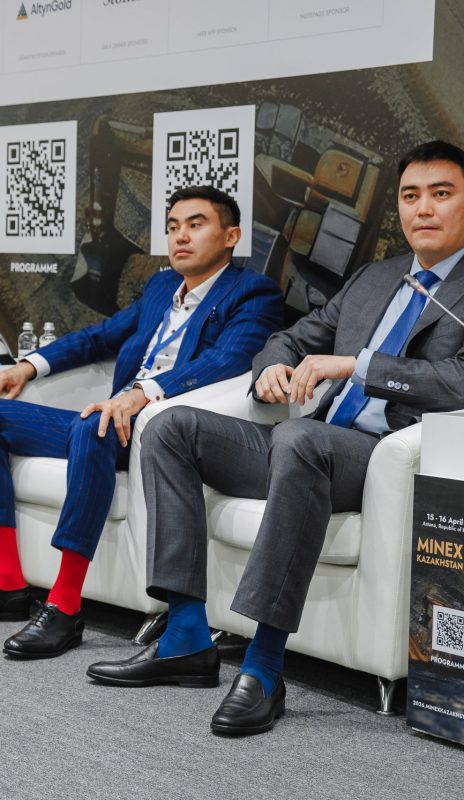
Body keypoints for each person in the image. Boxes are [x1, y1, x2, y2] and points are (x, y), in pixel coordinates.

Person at [86, 139, 464, 735]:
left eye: (441, 194)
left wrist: (357, 365)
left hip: (384, 455)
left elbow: (458, 380)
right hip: (311, 445)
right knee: (169, 427)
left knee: (299, 440)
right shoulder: (376, 278)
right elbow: (290, 337)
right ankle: (186, 637)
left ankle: (263, 667)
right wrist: (271, 369)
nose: (423, 208)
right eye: (411, 195)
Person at [0, 185, 285, 659]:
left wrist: (142, 393)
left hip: (164, 426)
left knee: (91, 425)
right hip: (113, 418)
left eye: (195, 225)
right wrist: (27, 366)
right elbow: (99, 337)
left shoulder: (253, 292)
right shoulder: (161, 288)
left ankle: (65, 605)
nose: (180, 237)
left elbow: (227, 360)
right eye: (173, 227)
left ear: (231, 236)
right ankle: (5, 579)